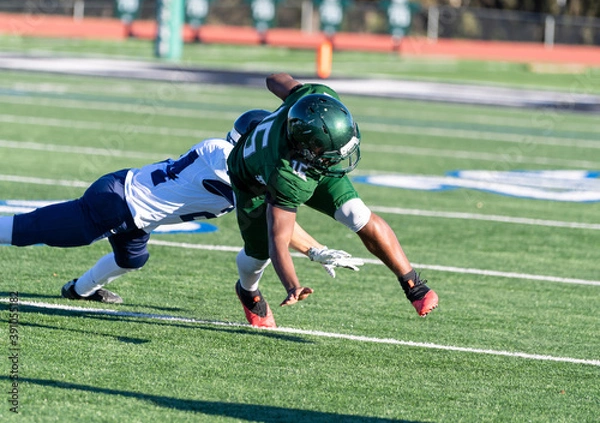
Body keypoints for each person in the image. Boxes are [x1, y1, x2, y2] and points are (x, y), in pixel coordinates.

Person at [0, 110, 363, 305]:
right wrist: (317, 250)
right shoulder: (226, 159)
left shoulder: (229, 156)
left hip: (133, 207)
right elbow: (274, 218)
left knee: (132, 258)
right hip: (116, 204)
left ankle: (78, 291)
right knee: (26, 231)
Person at [227, 72, 438, 328]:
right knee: (257, 255)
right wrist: (292, 285)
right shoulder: (285, 175)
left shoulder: (315, 97)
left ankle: (413, 284)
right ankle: (248, 292)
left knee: (357, 214)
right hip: (254, 180)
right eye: (333, 152)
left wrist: (284, 88)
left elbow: (275, 79)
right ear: (306, 146)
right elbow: (278, 241)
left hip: (312, 161)